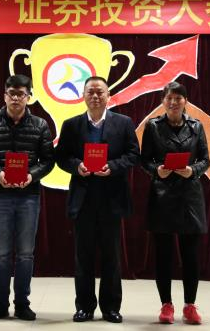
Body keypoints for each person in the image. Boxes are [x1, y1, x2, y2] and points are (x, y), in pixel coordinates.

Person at [55, 76, 140, 324]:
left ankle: (111, 307)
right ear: (83, 96)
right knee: (83, 257)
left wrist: (112, 166)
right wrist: (76, 166)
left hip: (112, 198)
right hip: (83, 199)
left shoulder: (124, 123)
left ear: (108, 95)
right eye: (90, 92)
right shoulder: (71, 125)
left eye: (99, 92)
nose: (95, 96)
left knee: (112, 256)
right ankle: (84, 307)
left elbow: (133, 155)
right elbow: (61, 157)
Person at [0, 74, 54, 321]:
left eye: (21, 94)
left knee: (26, 253)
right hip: (0, 195)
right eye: (12, 94)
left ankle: (22, 303)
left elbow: (48, 160)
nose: (16, 98)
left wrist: (32, 175)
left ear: (29, 96)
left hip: (29, 196)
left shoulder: (40, 125)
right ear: (5, 95)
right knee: (2, 252)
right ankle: (0, 303)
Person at [140, 81, 210, 325]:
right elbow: (144, 160)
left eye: (178, 98)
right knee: (163, 255)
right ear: (163, 101)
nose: (173, 102)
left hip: (189, 195)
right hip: (163, 195)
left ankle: (190, 306)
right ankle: (166, 305)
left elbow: (206, 160)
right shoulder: (153, 126)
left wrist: (193, 170)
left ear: (185, 101)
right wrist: (156, 170)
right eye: (169, 98)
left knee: (191, 256)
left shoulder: (197, 126)